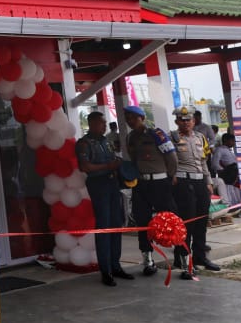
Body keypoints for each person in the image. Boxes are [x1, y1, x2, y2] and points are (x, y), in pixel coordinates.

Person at [75, 112, 133, 287]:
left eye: (105, 123)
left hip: (112, 183)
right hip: (98, 185)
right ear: (92, 123)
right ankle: (105, 270)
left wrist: (118, 164)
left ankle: (116, 265)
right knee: (104, 226)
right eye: (101, 123)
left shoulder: (106, 141)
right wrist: (108, 166)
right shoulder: (84, 143)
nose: (104, 126)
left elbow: (113, 158)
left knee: (116, 225)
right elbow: (85, 167)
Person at [124, 105, 178, 276]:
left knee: (169, 219)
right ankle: (148, 259)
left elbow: (172, 157)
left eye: (133, 117)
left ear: (142, 118)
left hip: (160, 182)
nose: (130, 121)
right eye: (127, 118)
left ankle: (181, 255)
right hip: (141, 184)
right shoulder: (130, 137)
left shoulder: (157, 134)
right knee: (142, 221)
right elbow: (133, 160)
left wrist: (170, 176)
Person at [170, 106, 221, 279]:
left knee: (201, 221)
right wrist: (172, 176)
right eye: (182, 120)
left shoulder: (200, 137)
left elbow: (204, 161)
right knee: (187, 223)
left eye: (189, 120)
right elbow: (168, 160)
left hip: (200, 181)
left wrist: (208, 181)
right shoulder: (172, 137)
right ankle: (183, 259)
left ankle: (200, 256)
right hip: (183, 181)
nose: (186, 123)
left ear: (194, 121)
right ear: (177, 121)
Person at [211, 134, 241, 206]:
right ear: (225, 140)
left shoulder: (230, 151)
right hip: (228, 175)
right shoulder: (219, 150)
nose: (234, 143)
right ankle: (230, 205)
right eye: (232, 141)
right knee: (229, 191)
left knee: (236, 190)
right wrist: (224, 171)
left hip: (235, 173)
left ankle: (237, 204)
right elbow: (214, 164)